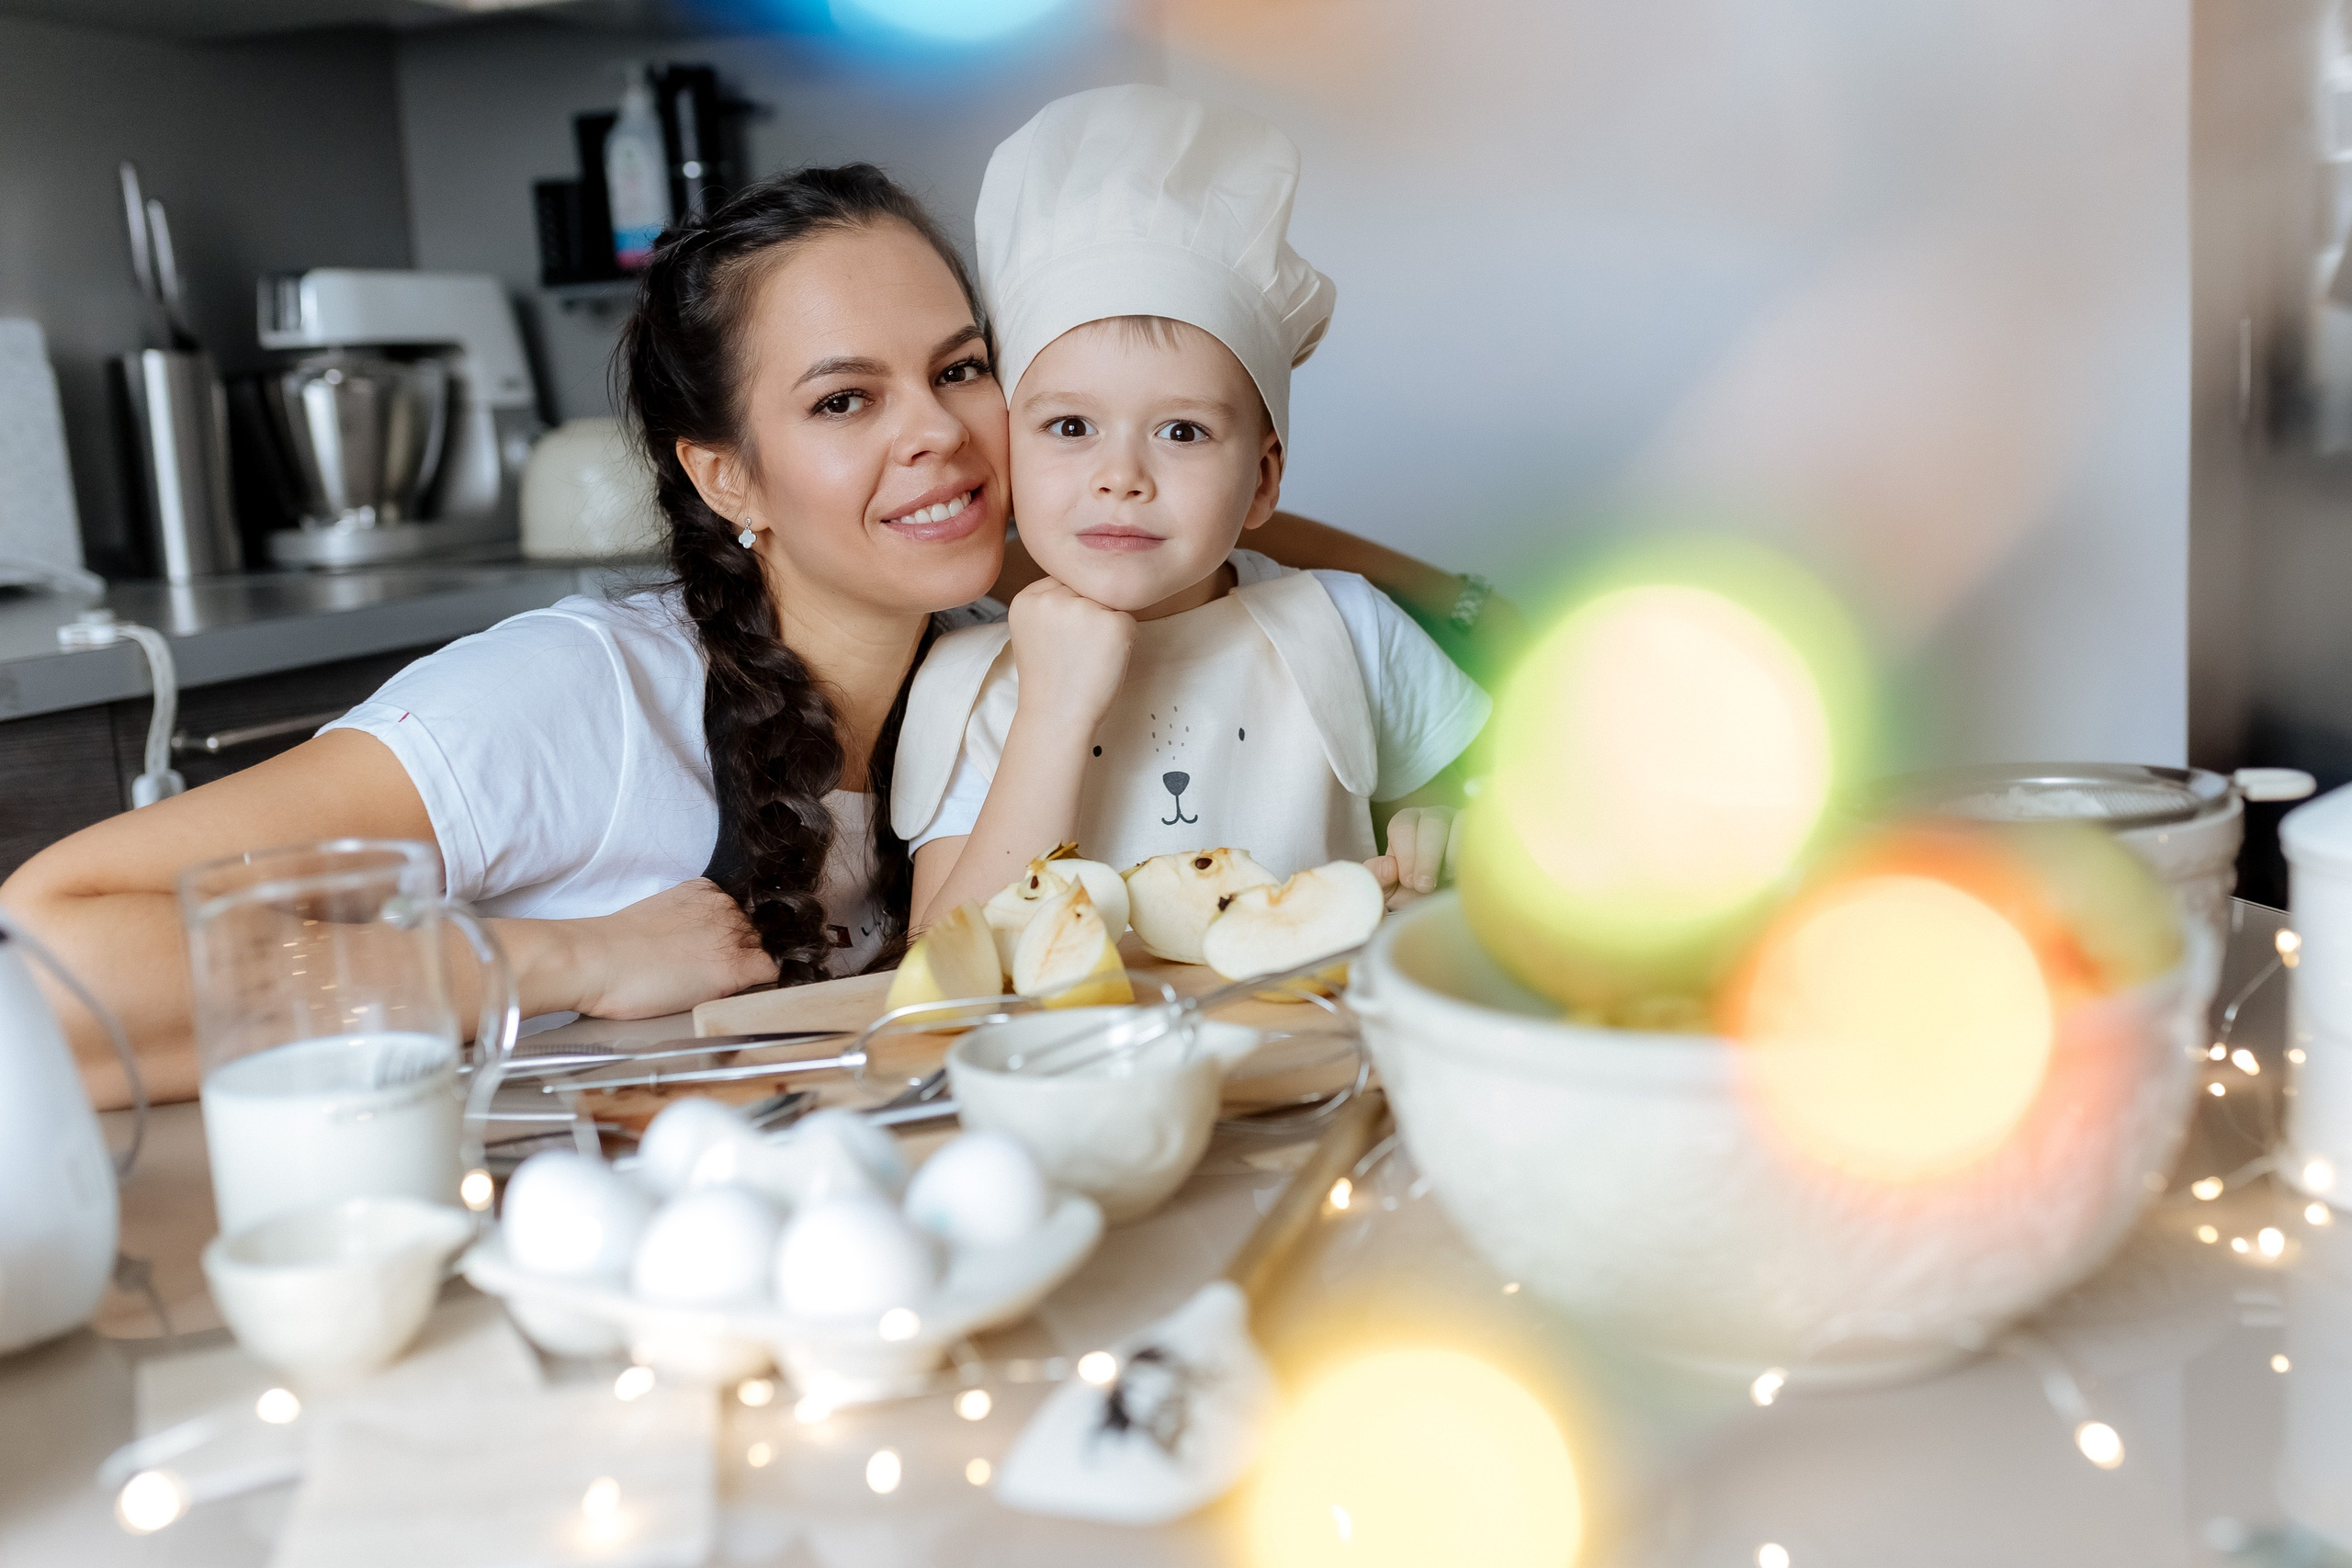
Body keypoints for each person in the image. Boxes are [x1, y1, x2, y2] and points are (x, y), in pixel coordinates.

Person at [1, 161, 1510, 1108]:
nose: (944, 437)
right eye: (846, 400)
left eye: (964, 369)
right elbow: (55, 946)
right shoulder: (580, 699)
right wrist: (563, 956)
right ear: (726, 478)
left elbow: (1187, 516)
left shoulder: (978, 652)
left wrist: (1333, 546)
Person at [898, 86, 1490, 929]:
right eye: (1071, 425)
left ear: (1261, 480)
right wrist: (1054, 711)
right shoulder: (967, 683)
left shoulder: (1345, 628)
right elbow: (948, 969)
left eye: (1181, 430)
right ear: (1007, 451)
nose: (1122, 476)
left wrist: (1455, 834)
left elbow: (1482, 826)